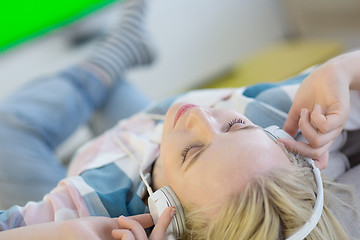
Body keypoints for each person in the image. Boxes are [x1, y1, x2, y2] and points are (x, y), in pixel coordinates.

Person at [0, 0, 360, 239]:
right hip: (145, 125)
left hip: (103, 163)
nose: (200, 117)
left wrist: (71, 233)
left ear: (165, 210)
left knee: (8, 130)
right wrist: (341, 69)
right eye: (236, 125)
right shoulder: (285, 118)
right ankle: (115, 58)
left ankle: (112, 56)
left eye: (192, 152)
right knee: (110, 96)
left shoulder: (98, 209)